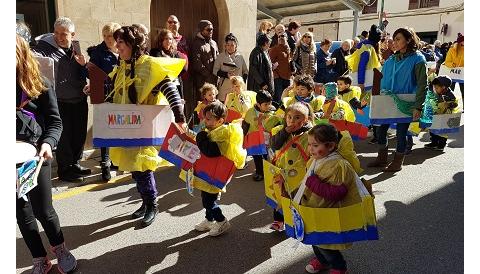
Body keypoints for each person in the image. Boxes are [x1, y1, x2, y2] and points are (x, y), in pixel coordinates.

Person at [107, 26, 187, 227]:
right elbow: (117, 91)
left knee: (142, 167)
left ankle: (152, 204)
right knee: (135, 169)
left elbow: (169, 87)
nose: (117, 47)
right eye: (116, 43)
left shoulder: (149, 65)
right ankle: (145, 202)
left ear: (133, 45)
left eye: (121, 43)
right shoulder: (123, 65)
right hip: (125, 126)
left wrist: (180, 117)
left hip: (145, 126)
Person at [16, 32, 77, 274]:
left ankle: (60, 249)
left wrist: (48, 143)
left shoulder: (40, 83)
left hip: (35, 156)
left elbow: (55, 122)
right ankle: (40, 258)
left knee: (43, 209)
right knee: (21, 213)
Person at [293, 124, 361, 274]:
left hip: (327, 211)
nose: (310, 148)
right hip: (314, 208)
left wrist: (313, 182)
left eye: (315, 145)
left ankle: (339, 267)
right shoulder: (317, 158)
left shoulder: (338, 165)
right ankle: (323, 261)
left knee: (326, 244)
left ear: (330, 146)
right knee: (315, 240)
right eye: (309, 144)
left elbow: (337, 193)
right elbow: (306, 179)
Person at [33, 17, 90, 182]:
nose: (59, 37)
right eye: (56, 33)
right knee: (64, 137)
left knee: (79, 134)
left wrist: (84, 64)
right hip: (60, 100)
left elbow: (86, 72)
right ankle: (64, 170)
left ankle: (75, 164)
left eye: (64, 34)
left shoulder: (76, 47)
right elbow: (35, 57)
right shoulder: (44, 47)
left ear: (73, 34)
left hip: (79, 98)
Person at [368, 27, 427, 172]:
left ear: (408, 40)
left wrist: (418, 106)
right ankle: (382, 158)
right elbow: (382, 79)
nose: (394, 42)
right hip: (387, 101)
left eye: (398, 39)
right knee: (381, 131)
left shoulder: (418, 59)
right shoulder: (391, 59)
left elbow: (422, 85)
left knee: (401, 134)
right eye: (394, 39)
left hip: (406, 102)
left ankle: (397, 162)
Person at [194, 101, 246, 236]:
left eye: (209, 119)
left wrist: (200, 138)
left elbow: (211, 151)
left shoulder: (223, 134)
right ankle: (209, 219)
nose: (205, 121)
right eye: (205, 118)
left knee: (208, 200)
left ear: (220, 120)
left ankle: (221, 220)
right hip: (208, 173)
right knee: (205, 196)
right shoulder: (213, 130)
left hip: (215, 175)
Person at [269, 102, 314, 231]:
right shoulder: (281, 130)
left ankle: (295, 220)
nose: (292, 120)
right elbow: (274, 145)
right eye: (289, 117)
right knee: (279, 194)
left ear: (306, 120)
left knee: (296, 197)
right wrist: (285, 132)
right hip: (282, 171)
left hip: (299, 173)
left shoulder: (310, 133)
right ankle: (278, 220)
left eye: (297, 118)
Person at [86, 22, 121, 181]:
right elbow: (90, 73)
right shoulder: (98, 52)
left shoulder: (122, 50)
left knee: (117, 128)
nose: (108, 39)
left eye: (111, 36)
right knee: (105, 130)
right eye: (105, 36)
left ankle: (115, 160)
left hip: (120, 96)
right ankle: (105, 164)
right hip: (104, 95)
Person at [242, 90, 275, 181]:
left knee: (267, 156)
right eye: (265, 104)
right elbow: (245, 125)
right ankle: (259, 172)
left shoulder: (272, 112)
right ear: (258, 104)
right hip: (254, 138)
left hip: (266, 138)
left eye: (270, 103)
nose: (268, 106)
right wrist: (243, 138)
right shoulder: (250, 112)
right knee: (257, 156)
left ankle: (268, 172)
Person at [150, 29, 188, 99]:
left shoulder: (175, 53)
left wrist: (173, 74)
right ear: (160, 40)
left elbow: (184, 67)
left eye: (170, 39)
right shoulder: (155, 52)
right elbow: (160, 66)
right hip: (162, 87)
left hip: (176, 85)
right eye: (165, 39)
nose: (168, 41)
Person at [424, 75, 459, 151]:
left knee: (443, 131)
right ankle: (434, 142)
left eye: (437, 88)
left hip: (445, 116)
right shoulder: (436, 92)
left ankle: (441, 144)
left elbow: (455, 104)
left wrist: (449, 104)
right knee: (433, 128)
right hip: (436, 114)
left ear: (443, 87)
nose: (435, 89)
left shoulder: (449, 94)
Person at [213, 33, 249, 102]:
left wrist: (242, 82)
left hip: (237, 88)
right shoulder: (220, 57)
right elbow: (215, 70)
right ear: (225, 46)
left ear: (236, 46)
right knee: (224, 108)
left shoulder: (240, 57)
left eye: (232, 45)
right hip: (224, 87)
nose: (230, 47)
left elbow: (245, 71)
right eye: (228, 45)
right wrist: (226, 74)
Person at [190, 20, 219, 98]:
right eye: (208, 29)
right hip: (202, 80)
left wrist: (217, 73)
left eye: (212, 29)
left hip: (214, 79)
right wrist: (209, 75)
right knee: (203, 104)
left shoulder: (214, 43)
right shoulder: (196, 43)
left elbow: (218, 59)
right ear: (202, 30)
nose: (211, 31)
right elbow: (197, 64)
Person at [269, 33, 292, 105]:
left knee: (286, 99)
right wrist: (276, 76)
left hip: (287, 78)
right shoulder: (274, 49)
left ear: (287, 38)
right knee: (278, 99)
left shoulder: (288, 49)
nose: (281, 38)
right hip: (278, 78)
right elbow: (270, 64)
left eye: (283, 36)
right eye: (279, 37)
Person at [444, 33, 464, 103]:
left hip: (463, 74)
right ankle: (448, 107)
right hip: (452, 73)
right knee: (450, 91)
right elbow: (447, 62)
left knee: (464, 92)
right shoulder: (452, 49)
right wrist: (452, 64)